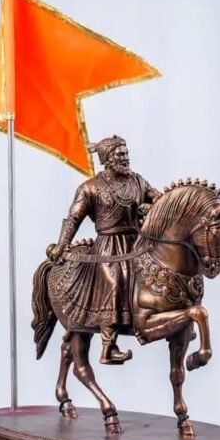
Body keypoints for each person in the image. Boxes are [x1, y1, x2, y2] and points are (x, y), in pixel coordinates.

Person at [48, 135, 159, 364]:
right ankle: (108, 347)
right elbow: (73, 218)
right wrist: (61, 245)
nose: (126, 158)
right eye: (120, 154)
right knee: (114, 282)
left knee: (161, 273)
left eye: (126, 153)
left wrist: (152, 206)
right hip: (109, 247)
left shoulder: (138, 181)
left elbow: (159, 199)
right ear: (108, 158)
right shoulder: (90, 187)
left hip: (138, 243)